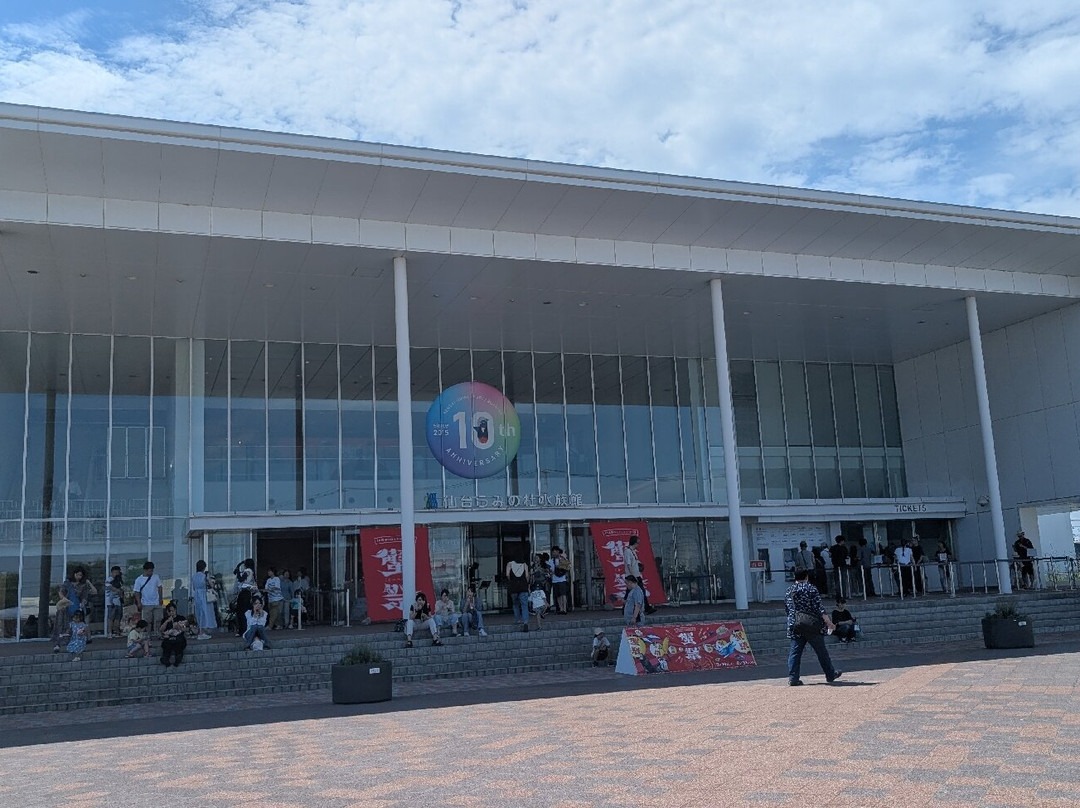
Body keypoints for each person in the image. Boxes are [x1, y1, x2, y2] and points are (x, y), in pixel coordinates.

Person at [785, 568, 841, 686]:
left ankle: (793, 678)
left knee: (795, 652)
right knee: (821, 652)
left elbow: (788, 609)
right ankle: (830, 674)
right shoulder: (811, 589)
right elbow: (819, 608)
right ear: (806, 577)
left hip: (796, 625)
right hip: (812, 625)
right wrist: (828, 622)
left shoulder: (789, 591)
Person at [133, 561, 164, 636]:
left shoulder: (156, 577)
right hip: (146, 603)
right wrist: (139, 602)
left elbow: (160, 587)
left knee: (158, 619)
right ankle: (148, 634)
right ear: (145, 570)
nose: (151, 572)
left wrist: (160, 598)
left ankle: (158, 633)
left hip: (156, 602)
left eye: (152, 570)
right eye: (150, 571)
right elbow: (136, 592)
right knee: (147, 621)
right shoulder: (139, 580)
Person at [191, 560, 217, 639]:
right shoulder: (204, 575)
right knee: (205, 613)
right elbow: (211, 585)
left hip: (197, 595)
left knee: (199, 613)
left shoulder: (194, 576)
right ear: (204, 567)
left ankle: (200, 631)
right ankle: (203, 632)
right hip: (204, 595)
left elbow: (194, 588)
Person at [505, 553, 531, 631]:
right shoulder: (524, 565)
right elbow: (527, 576)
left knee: (515, 604)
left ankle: (517, 619)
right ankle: (525, 622)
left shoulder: (509, 564)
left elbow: (507, 575)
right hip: (523, 587)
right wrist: (526, 584)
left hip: (513, 587)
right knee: (524, 605)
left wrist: (511, 581)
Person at [159, 602, 188, 667]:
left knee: (179, 644)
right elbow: (161, 630)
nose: (172, 612)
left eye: (173, 610)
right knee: (166, 645)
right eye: (170, 611)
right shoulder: (165, 619)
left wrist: (178, 626)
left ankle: (178, 658)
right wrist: (167, 621)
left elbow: (185, 629)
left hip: (178, 637)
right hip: (168, 637)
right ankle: (165, 659)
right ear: (167, 612)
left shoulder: (181, 618)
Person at [233, 558, 257, 636]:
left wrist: (237, 571)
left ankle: (242, 629)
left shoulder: (248, 571)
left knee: (241, 611)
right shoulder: (252, 571)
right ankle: (245, 629)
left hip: (244, 593)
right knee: (245, 611)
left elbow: (241, 579)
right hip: (247, 593)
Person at [548, 546, 571, 614]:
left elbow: (568, 566)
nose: (553, 553)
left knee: (563, 594)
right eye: (553, 552)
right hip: (554, 580)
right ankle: (561, 609)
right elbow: (550, 569)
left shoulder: (562, 559)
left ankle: (564, 609)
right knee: (558, 595)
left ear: (558, 551)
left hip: (562, 579)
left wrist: (560, 565)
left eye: (554, 552)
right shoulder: (551, 560)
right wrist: (550, 571)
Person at [105, 565, 124, 637]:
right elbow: (111, 588)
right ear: (111, 573)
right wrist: (118, 590)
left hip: (118, 602)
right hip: (110, 602)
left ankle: (117, 632)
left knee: (118, 618)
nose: (116, 574)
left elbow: (122, 590)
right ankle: (109, 633)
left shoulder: (120, 580)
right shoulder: (109, 579)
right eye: (115, 572)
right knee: (111, 617)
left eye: (117, 572)